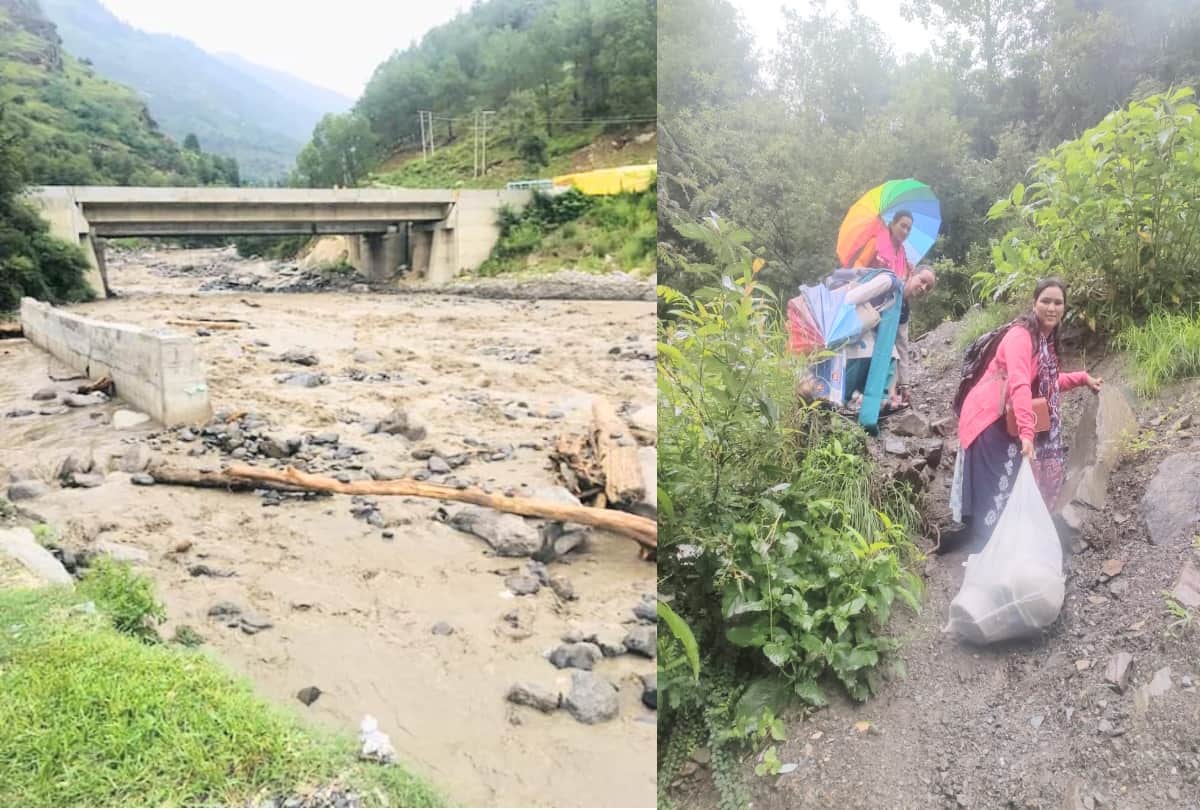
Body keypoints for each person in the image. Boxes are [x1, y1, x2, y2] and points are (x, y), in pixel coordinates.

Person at [944, 278, 1102, 552]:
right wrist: (1028, 433)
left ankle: (992, 546)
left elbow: (1047, 382)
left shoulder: (1043, 341)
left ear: (1064, 307)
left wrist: (1081, 378)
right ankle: (983, 552)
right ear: (1034, 303)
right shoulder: (1021, 336)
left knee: (1005, 485)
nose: (1052, 308)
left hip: (1006, 415)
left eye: (1058, 303)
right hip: (988, 418)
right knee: (997, 489)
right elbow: (1019, 383)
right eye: (1046, 301)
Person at [841, 265, 936, 409]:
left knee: (893, 354)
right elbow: (850, 297)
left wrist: (905, 384)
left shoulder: (903, 309)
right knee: (867, 350)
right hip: (849, 329)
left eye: (928, 287)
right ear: (911, 274)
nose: (923, 288)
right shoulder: (889, 282)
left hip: (867, 337)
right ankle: (844, 399)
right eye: (922, 281)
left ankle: (878, 401)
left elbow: (902, 347)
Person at [854, 210, 914, 280]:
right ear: (892, 224)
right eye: (903, 226)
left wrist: (908, 273)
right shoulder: (877, 242)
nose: (905, 231)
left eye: (908, 229)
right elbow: (860, 264)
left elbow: (900, 279)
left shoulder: (902, 254)